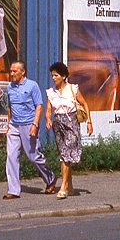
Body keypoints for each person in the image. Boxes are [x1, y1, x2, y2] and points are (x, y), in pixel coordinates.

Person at [3, 61, 57, 199]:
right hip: (14, 125)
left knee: (33, 156)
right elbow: (10, 107)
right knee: (11, 156)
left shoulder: (32, 86)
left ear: (23, 72)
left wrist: (35, 124)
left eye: (15, 71)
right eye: (11, 71)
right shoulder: (10, 87)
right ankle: (13, 190)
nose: (12, 73)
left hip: (28, 125)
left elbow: (39, 106)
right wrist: (9, 124)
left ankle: (50, 178)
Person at [44, 61, 91, 199]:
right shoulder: (50, 92)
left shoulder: (72, 89)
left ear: (63, 76)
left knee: (66, 155)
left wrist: (89, 122)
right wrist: (48, 119)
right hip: (58, 124)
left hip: (71, 123)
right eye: (52, 75)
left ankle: (63, 186)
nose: (53, 78)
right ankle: (70, 186)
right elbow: (48, 110)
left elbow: (85, 104)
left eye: (56, 75)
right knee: (64, 154)